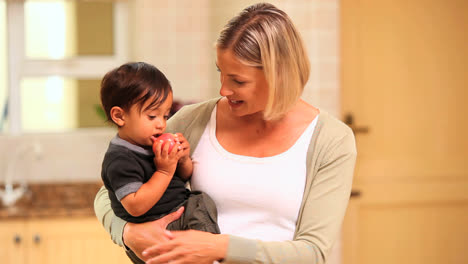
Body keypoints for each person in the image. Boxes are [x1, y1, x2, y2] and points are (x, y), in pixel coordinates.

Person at [94, 3, 356, 264]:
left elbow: (313, 253)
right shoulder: (193, 121)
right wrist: (128, 233)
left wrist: (219, 247)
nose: (223, 90)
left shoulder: (331, 141)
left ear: (279, 76)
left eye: (238, 81)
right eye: (221, 73)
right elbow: (107, 194)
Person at [99, 62, 220, 262]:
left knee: (200, 203)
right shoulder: (119, 159)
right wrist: (164, 171)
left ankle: (208, 252)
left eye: (165, 116)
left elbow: (184, 177)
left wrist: (182, 160)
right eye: (152, 116)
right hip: (156, 230)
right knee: (199, 204)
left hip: (176, 218)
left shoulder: (149, 143)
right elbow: (136, 206)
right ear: (119, 116)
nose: (161, 124)